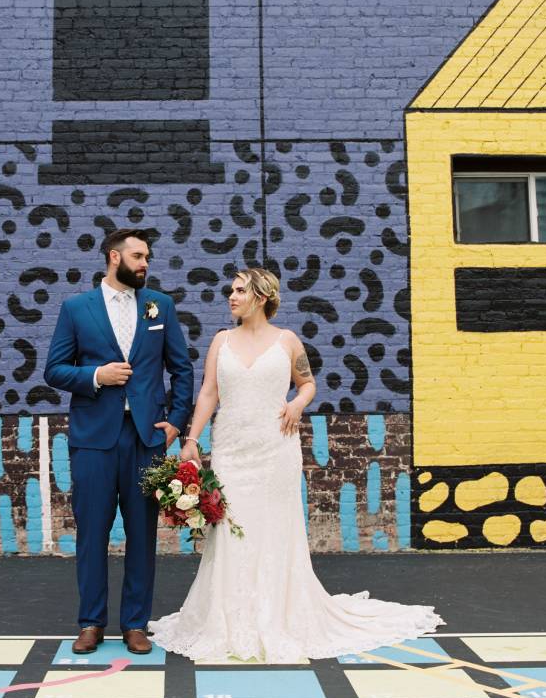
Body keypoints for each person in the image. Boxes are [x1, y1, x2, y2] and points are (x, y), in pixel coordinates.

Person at [148, 267, 443, 662]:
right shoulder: (222, 340)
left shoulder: (287, 341)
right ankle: (230, 620)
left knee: (272, 530)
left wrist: (298, 403)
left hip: (276, 448)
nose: (231, 297)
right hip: (232, 448)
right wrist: (191, 440)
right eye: (231, 290)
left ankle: (276, 617)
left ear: (261, 296)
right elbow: (208, 393)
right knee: (233, 531)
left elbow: (307, 384)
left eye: (239, 290)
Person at [44, 228, 193, 655]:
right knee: (92, 532)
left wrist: (176, 421)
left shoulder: (159, 306)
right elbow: (54, 370)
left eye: (148, 256)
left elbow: (181, 369)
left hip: (146, 438)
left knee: (142, 533)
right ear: (114, 257)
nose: (146, 263)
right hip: (93, 438)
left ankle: (134, 624)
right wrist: (95, 376)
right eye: (139, 256)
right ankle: (91, 622)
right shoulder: (76, 309)